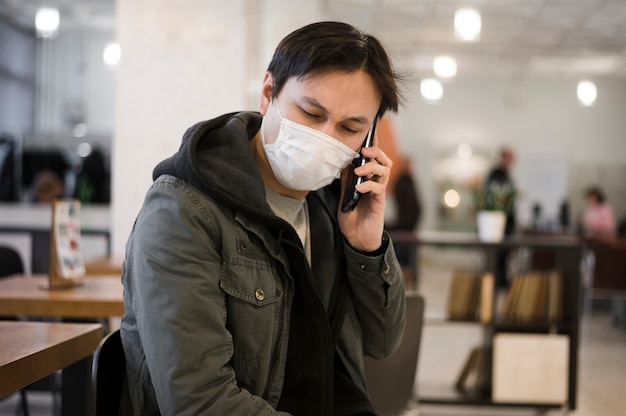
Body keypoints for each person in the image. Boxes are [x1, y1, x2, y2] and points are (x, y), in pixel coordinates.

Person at [120, 21, 407, 416]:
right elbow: (198, 402)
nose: (326, 138)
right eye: (311, 113)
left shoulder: (330, 209)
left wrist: (366, 248)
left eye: (350, 128)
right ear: (268, 91)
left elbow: (383, 343)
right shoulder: (182, 211)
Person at [484, 147, 517, 288]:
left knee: (504, 254)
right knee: (498, 254)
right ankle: (496, 280)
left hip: (505, 221)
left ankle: (501, 279)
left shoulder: (505, 174)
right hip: (497, 223)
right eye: (510, 158)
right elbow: (495, 198)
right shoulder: (496, 174)